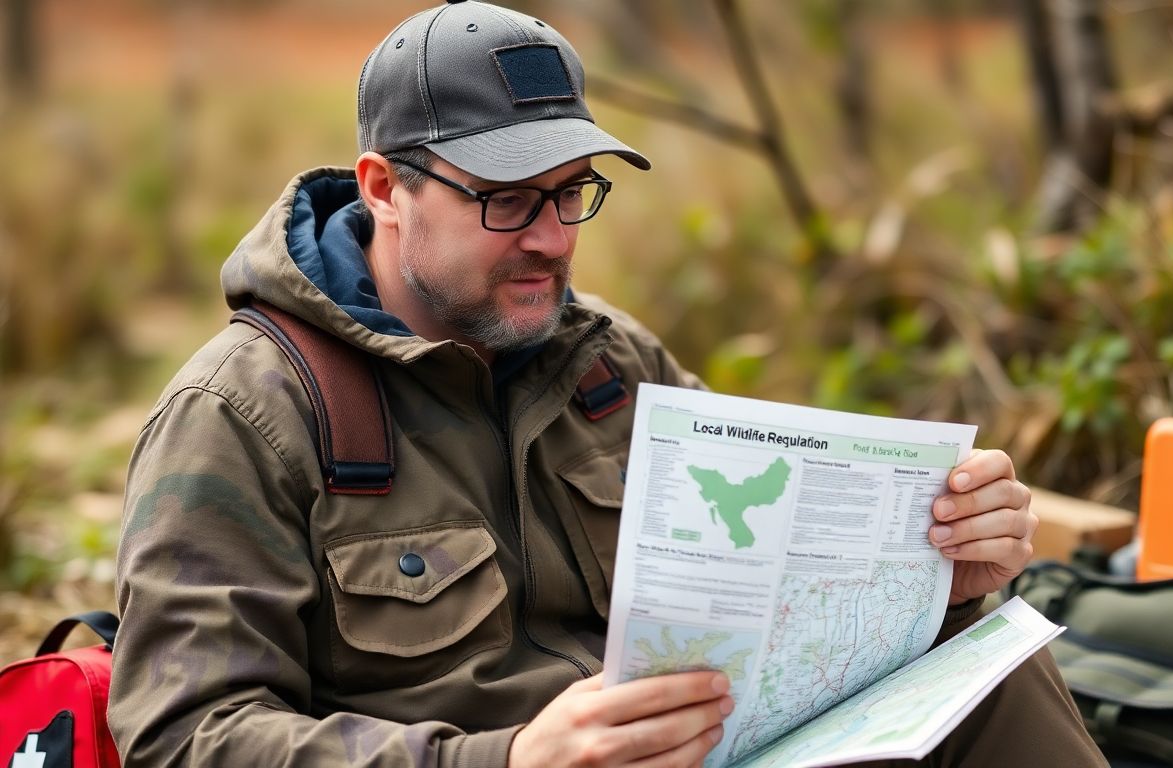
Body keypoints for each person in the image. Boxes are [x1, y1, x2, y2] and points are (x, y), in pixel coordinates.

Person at [108, 2, 1107, 766]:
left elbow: (783, 594)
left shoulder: (612, 363)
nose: (553, 237)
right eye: (506, 200)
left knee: (992, 668)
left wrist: (934, 580)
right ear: (383, 190)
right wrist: (508, 759)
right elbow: (185, 734)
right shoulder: (243, 415)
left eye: (572, 191)